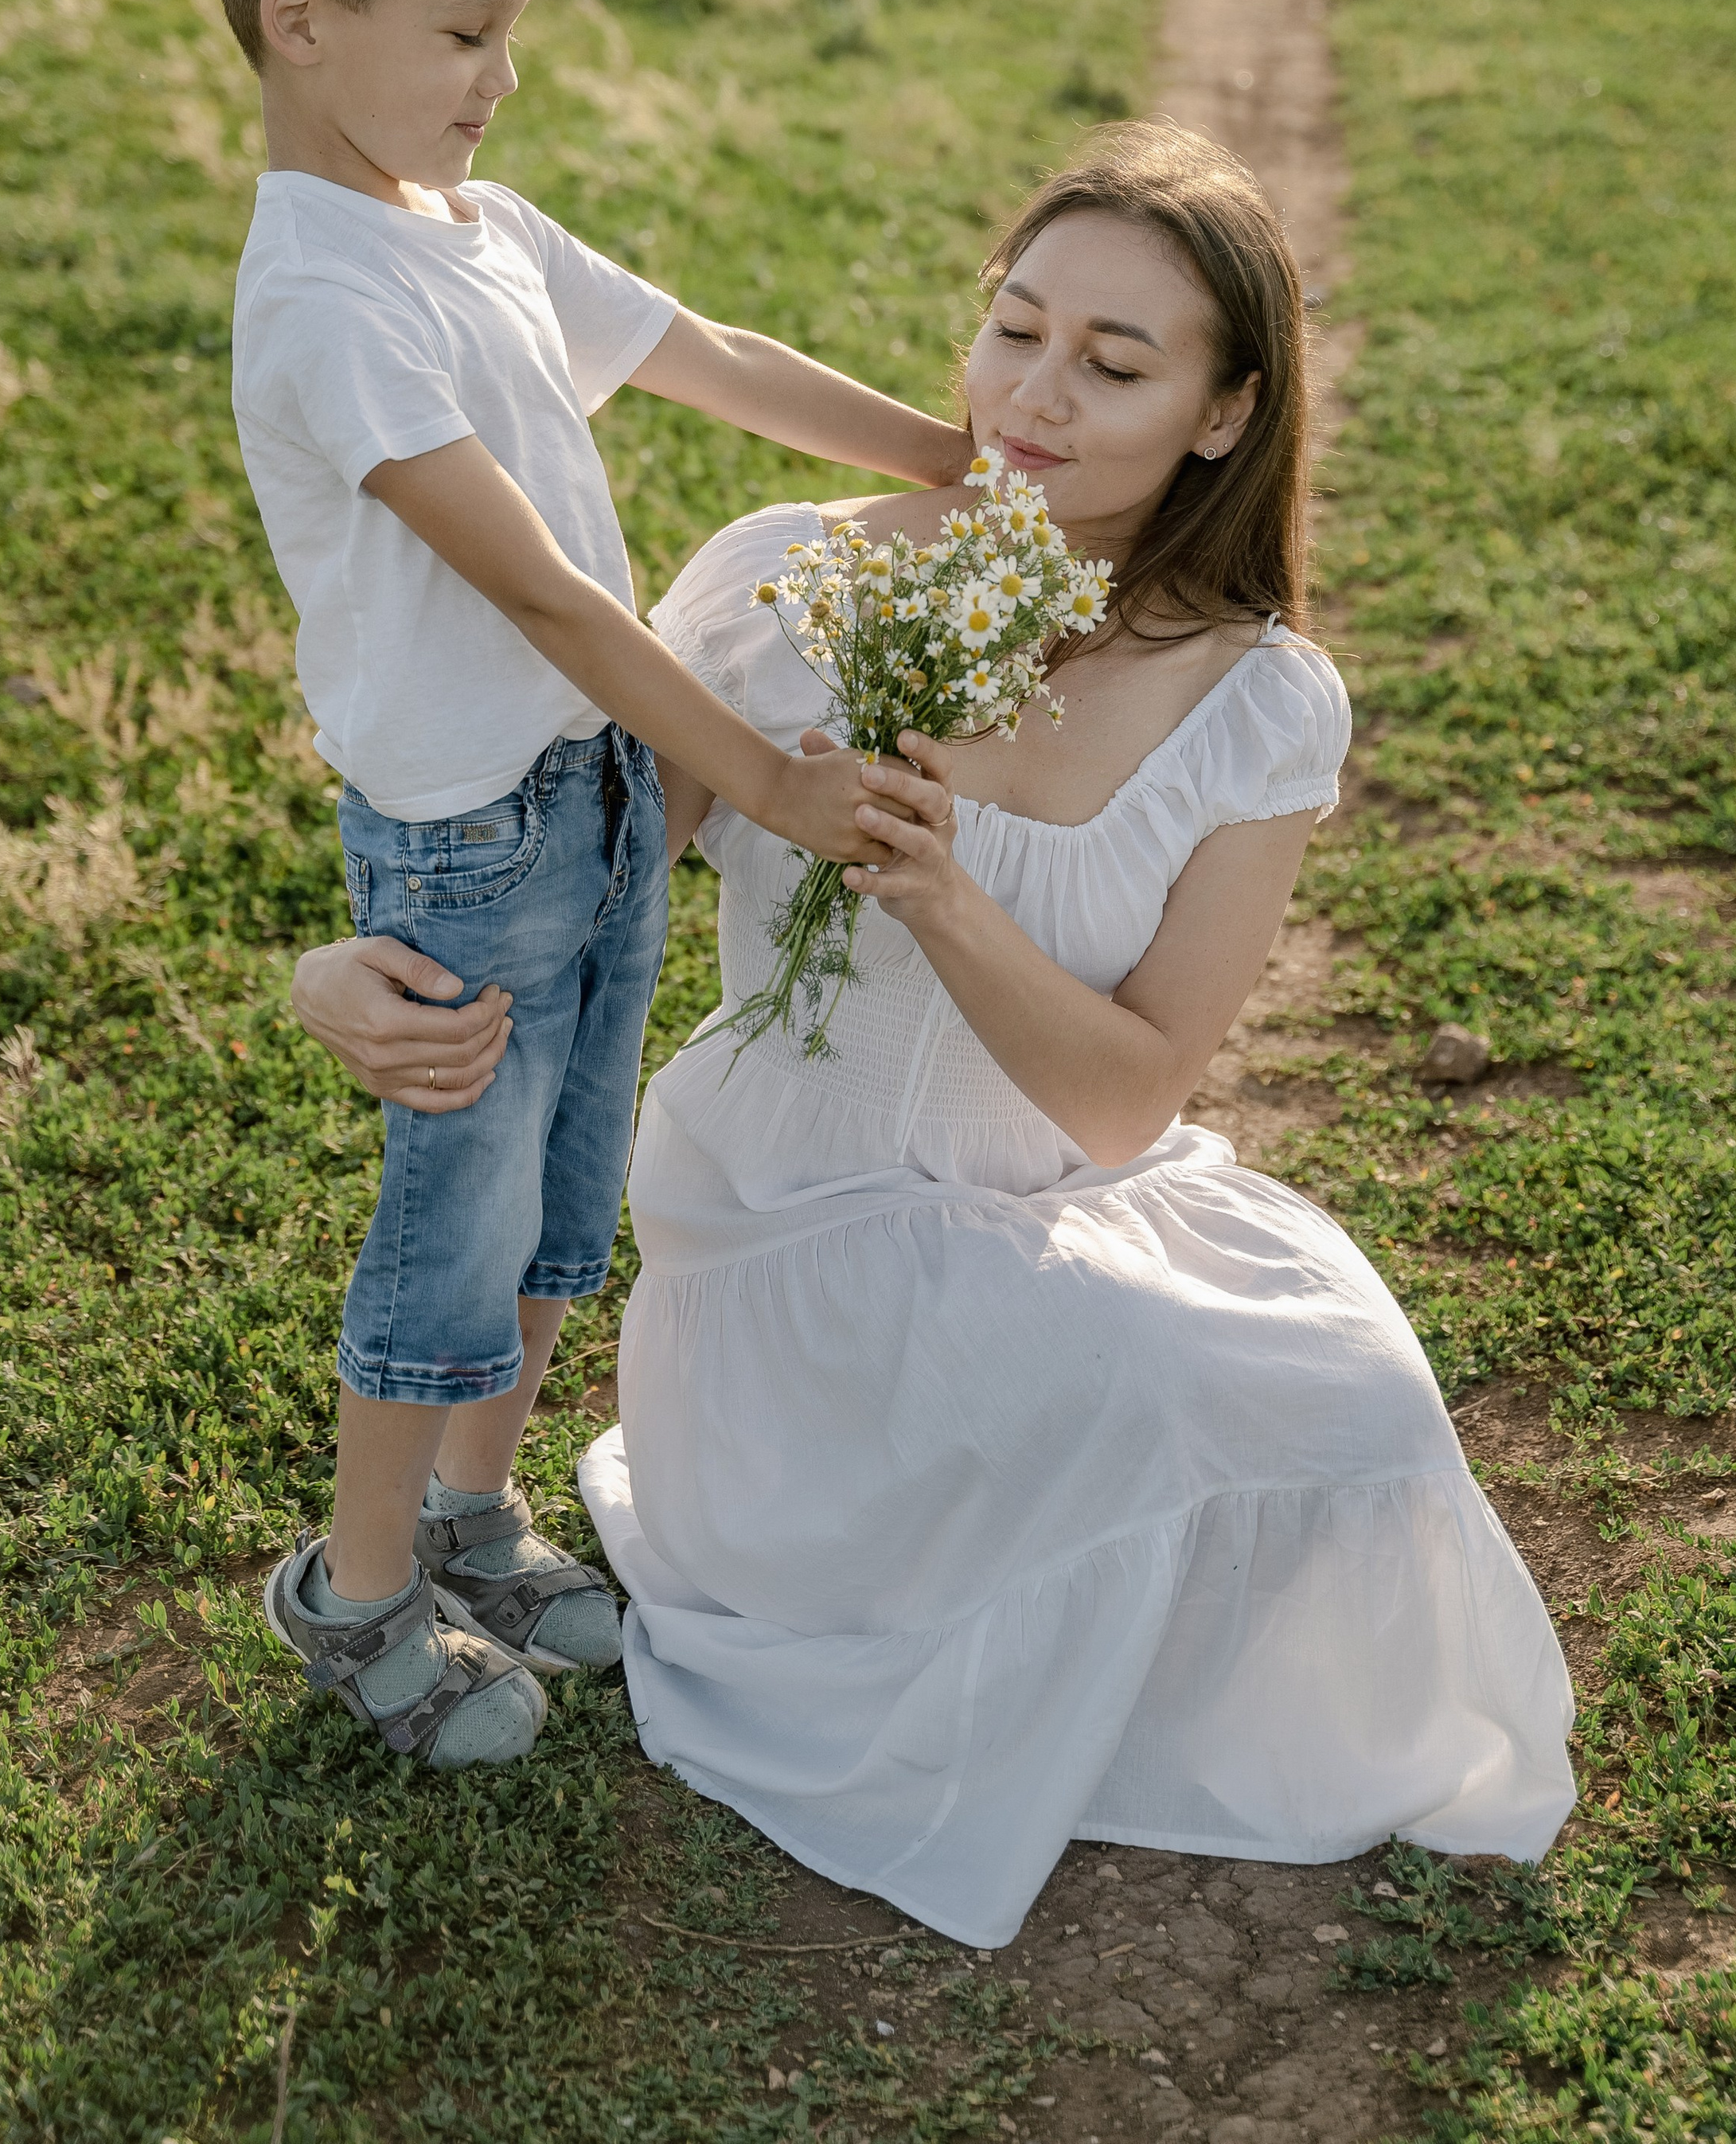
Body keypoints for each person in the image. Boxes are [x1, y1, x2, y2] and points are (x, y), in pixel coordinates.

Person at [584, 124, 1575, 1944]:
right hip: (786, 1233)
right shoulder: (784, 577)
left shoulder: (1253, 700)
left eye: (1113, 366)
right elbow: (591, 885)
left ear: (1221, 413)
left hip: (1052, 1199)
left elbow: (1127, 1104)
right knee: (1140, 1386)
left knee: (1354, 1396)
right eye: (1015, 329)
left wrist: (943, 894)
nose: (1032, 397)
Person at [212, 0, 966, 1771]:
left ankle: (477, 1510)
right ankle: (356, 1589)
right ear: (301, 21)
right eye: (466, 34)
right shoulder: (323, 305)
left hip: (607, 798)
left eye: (510, 31)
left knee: (562, 1199)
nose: (502, 77)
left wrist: (956, 459)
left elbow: (710, 354)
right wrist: (771, 785)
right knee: (452, 1222)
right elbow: (547, 597)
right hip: (470, 845)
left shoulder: (482, 233)